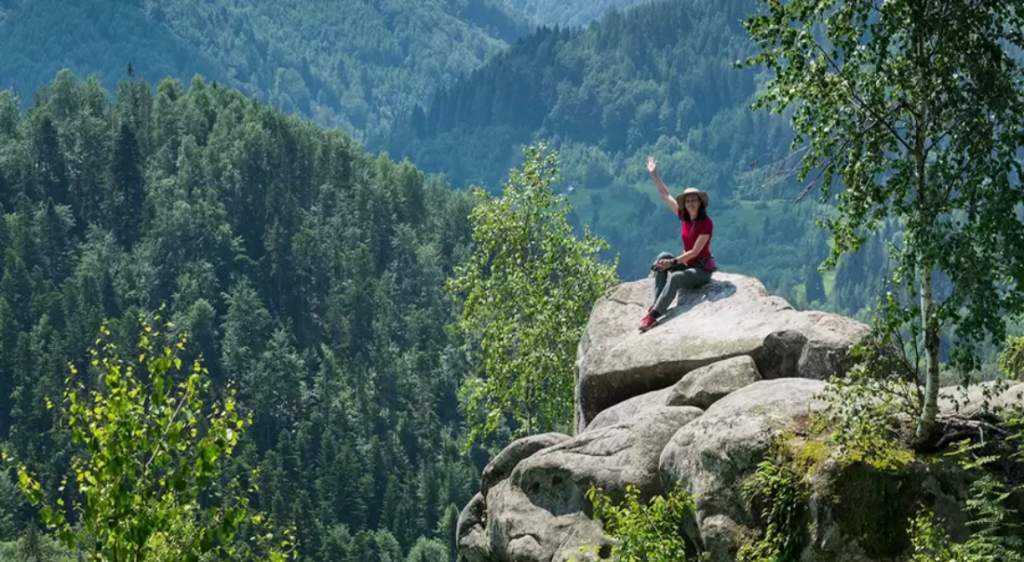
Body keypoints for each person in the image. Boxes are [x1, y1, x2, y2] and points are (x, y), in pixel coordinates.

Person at [639, 156, 717, 332]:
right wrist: (654, 173)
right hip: (687, 265)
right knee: (662, 257)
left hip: (701, 271)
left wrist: (672, 263)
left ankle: (653, 316)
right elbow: (665, 195)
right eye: (688, 201)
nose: (690, 203)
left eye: (694, 200)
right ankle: (658, 303)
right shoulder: (684, 216)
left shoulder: (707, 223)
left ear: (700, 203)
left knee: (674, 276)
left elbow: (695, 252)